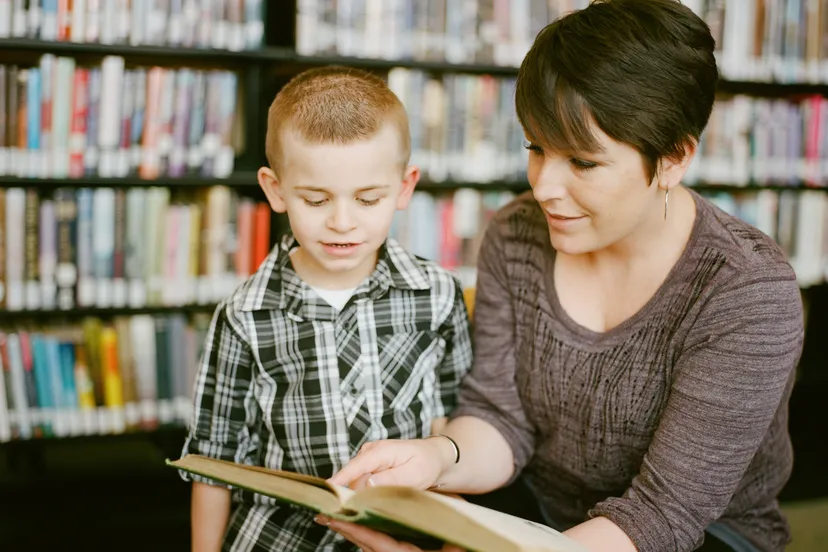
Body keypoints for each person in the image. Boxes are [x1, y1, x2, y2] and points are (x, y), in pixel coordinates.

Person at [323, 1, 805, 552]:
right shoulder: (515, 234)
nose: (544, 186)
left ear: (673, 158)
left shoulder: (746, 291)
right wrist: (436, 458)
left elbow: (664, 515)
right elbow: (500, 418)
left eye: (582, 162)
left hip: (700, 535)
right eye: (536, 147)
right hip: (538, 512)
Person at [179, 66, 473, 552]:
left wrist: (452, 544)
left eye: (367, 198)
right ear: (275, 190)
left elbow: (452, 425)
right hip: (280, 539)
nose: (342, 222)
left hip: (404, 538)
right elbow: (213, 461)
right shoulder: (244, 314)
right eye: (316, 199)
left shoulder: (437, 294)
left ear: (404, 188)